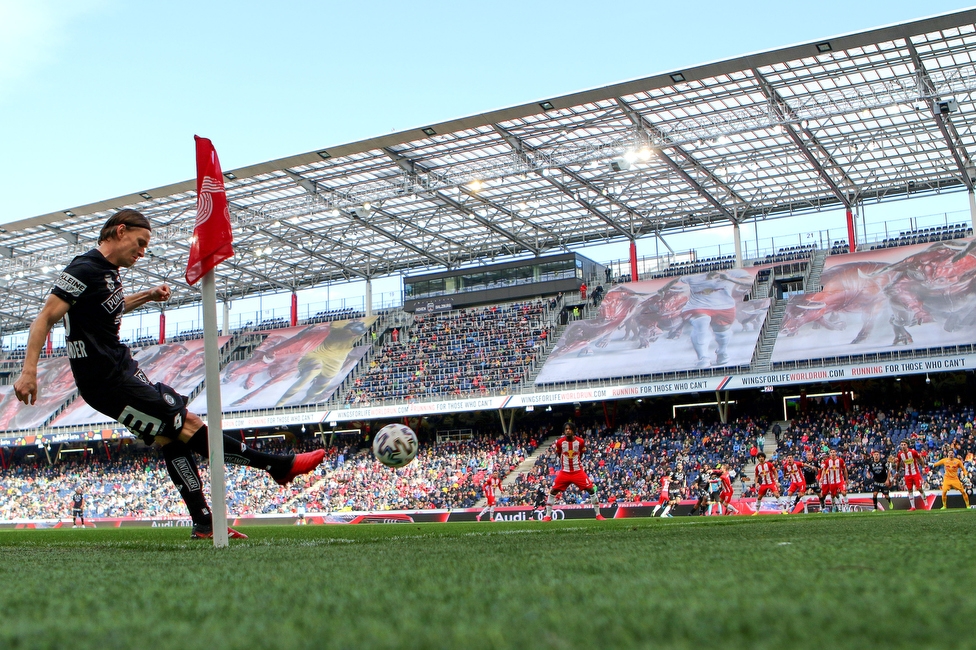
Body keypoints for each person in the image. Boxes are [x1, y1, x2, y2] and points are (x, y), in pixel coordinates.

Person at [13, 209, 325, 540]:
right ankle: (276, 465)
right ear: (120, 231)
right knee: (186, 423)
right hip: (105, 381)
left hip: (122, 369)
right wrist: (29, 370)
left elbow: (109, 307)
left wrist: (147, 295)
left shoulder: (108, 274)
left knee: (168, 436)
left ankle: (204, 522)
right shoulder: (84, 268)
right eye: (140, 242)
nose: (142, 251)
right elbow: (45, 317)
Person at [679, 269, 754, 368]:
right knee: (701, 323)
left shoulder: (733, 272)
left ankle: (722, 351)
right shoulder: (693, 273)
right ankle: (703, 358)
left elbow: (752, 281)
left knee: (722, 333)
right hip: (698, 305)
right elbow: (677, 282)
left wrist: (730, 278)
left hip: (724, 306)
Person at [542, 422, 605, 521]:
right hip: (565, 472)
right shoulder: (560, 442)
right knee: (553, 491)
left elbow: (581, 454)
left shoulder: (580, 442)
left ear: (573, 430)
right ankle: (547, 516)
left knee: (591, 490)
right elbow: (559, 454)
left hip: (577, 471)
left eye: (569, 429)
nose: (567, 431)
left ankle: (598, 515)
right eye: (566, 429)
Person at [896, 441, 928, 511]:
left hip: (915, 473)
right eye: (902, 445)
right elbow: (898, 463)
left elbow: (920, 459)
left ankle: (926, 504)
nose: (903, 446)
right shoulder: (900, 454)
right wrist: (896, 472)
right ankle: (913, 507)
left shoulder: (913, 452)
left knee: (919, 488)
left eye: (904, 444)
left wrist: (923, 468)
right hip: (907, 474)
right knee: (910, 490)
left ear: (907, 445)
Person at [820, 449, 848, 513]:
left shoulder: (840, 460)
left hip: (840, 480)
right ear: (830, 454)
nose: (832, 453)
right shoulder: (827, 461)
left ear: (836, 453)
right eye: (831, 452)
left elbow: (845, 470)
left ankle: (847, 507)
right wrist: (822, 477)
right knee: (832, 495)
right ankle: (834, 506)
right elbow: (824, 469)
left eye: (834, 452)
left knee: (844, 492)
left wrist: (846, 479)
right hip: (832, 481)